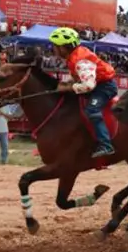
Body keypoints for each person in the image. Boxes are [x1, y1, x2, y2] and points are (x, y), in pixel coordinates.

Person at [49, 27, 117, 158]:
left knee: (92, 110)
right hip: (97, 84)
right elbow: (79, 77)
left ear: (63, 47)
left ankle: (106, 145)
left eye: (55, 46)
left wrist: (69, 87)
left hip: (104, 87)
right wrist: (68, 83)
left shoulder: (81, 60)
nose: (53, 49)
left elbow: (88, 85)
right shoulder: (73, 56)